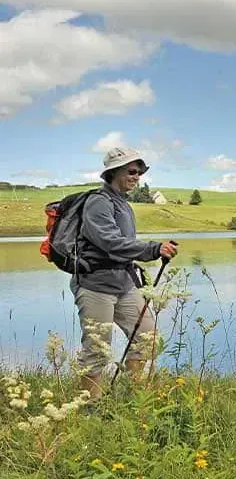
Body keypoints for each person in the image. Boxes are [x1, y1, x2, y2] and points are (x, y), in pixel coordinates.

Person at [74, 146, 178, 399]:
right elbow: (110, 242)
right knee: (97, 351)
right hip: (95, 286)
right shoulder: (98, 202)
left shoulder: (122, 204)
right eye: (132, 171)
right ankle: (90, 409)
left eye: (140, 172)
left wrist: (148, 253)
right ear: (113, 172)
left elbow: (123, 246)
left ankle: (133, 399)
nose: (137, 176)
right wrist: (154, 249)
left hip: (124, 285)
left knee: (147, 339)